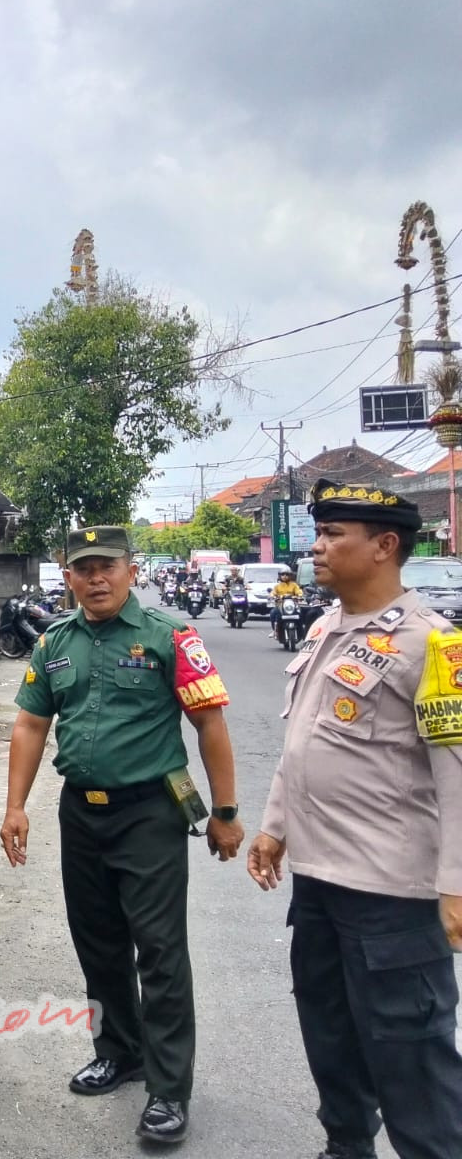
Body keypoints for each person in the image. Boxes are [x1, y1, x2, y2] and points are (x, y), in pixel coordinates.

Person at [0, 525, 244, 1147]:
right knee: (98, 943)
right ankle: (119, 1050)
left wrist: (225, 810)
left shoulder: (170, 637)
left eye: (107, 565)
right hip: (81, 813)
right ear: (69, 576)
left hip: (150, 814)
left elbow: (209, 725)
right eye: (83, 569)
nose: (96, 578)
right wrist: (15, 806)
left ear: (131, 570)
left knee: (160, 950)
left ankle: (169, 1089)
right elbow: (30, 725)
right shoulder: (54, 642)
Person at [248, 481, 462, 1159]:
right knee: (332, 1039)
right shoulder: (323, 631)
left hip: (392, 895)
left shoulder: (434, 646)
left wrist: (456, 883)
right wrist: (275, 824)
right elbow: (303, 742)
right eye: (320, 532)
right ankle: (346, 1147)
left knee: (412, 1061)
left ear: (384, 545)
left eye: (334, 534)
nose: (317, 546)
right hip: (319, 884)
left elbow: (458, 772)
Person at [269, 566, 306, 641]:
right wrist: (273, 596)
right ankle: (274, 630)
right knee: (273, 613)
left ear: (290, 576)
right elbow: (272, 593)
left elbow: (299, 592)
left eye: (287, 574)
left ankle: (303, 632)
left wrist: (300, 596)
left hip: (293, 606)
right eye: (283, 574)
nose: (285, 576)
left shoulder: (294, 585)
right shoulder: (277, 586)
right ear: (280, 576)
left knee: (301, 615)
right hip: (281, 606)